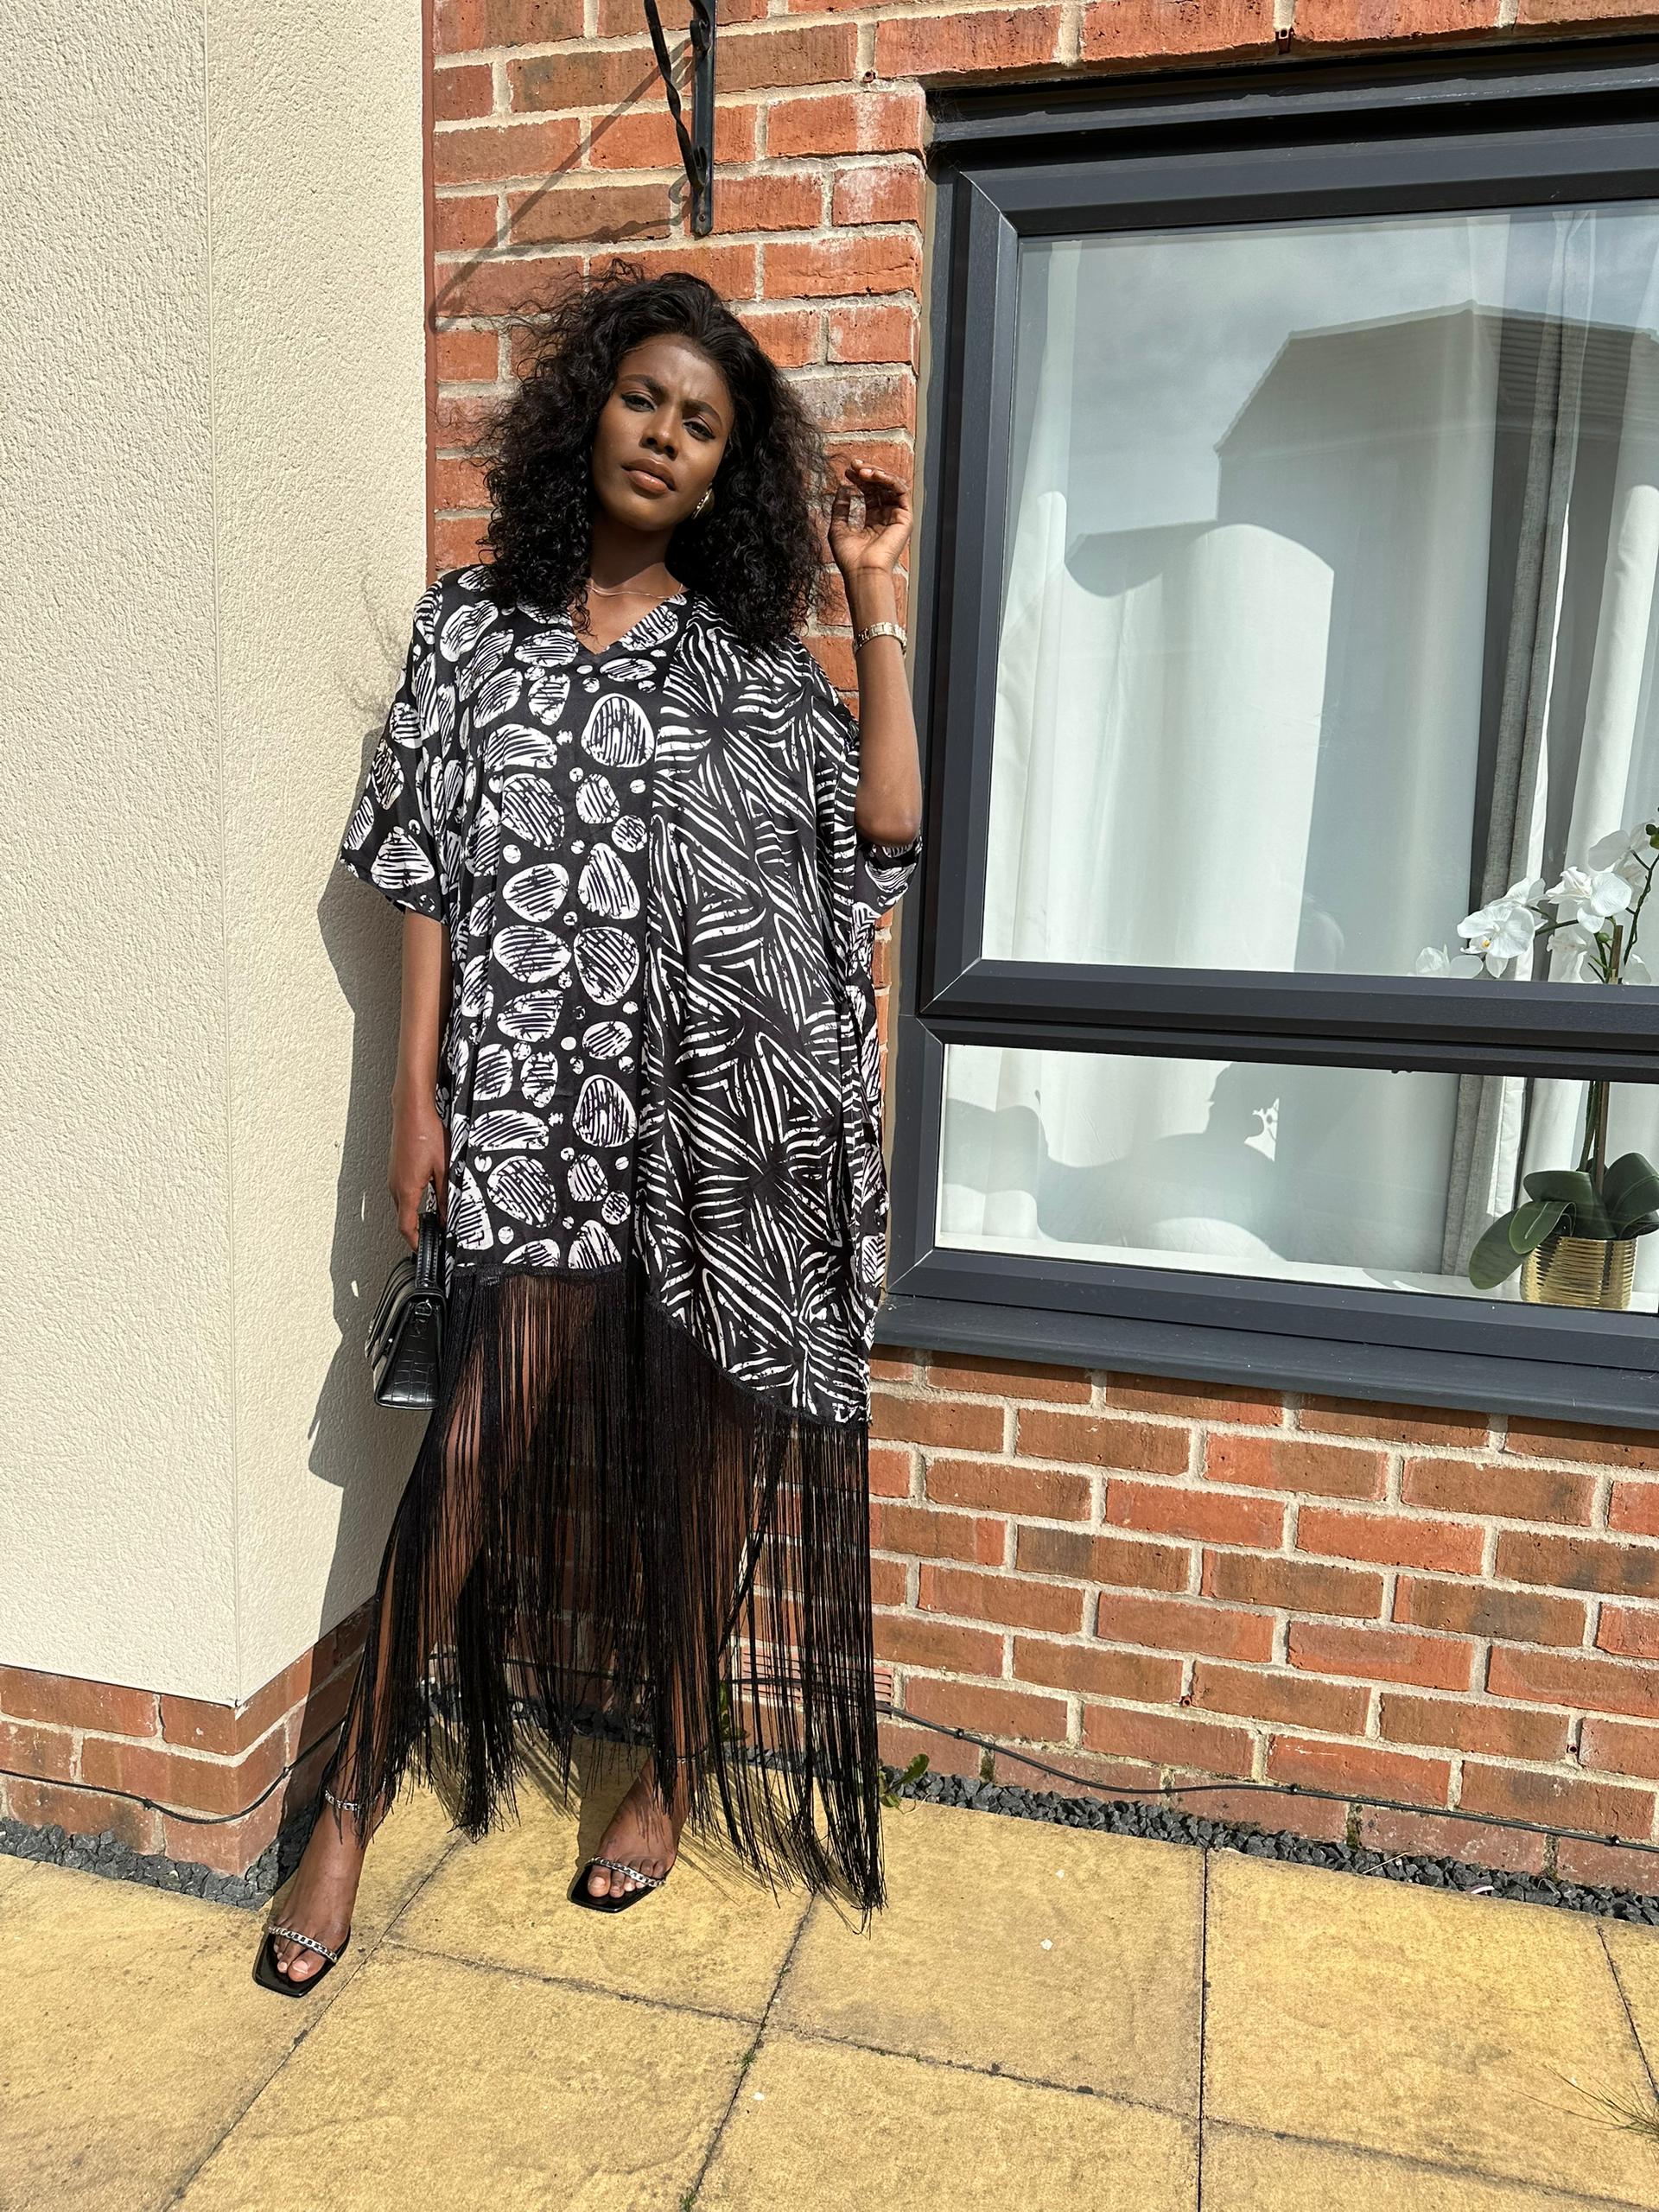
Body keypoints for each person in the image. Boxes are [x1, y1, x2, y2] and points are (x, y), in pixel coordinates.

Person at [257, 259, 924, 1992]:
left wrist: (869, 594)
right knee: (467, 1456)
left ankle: (676, 1768)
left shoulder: (741, 664)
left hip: (704, 1131)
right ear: (592, 406)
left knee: (703, 1481)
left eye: (702, 425)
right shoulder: (470, 628)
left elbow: (879, 844)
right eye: (646, 398)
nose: (666, 436)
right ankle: (346, 1806)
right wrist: (411, 1093)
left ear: (722, 472)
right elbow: (421, 866)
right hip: (527, 1109)